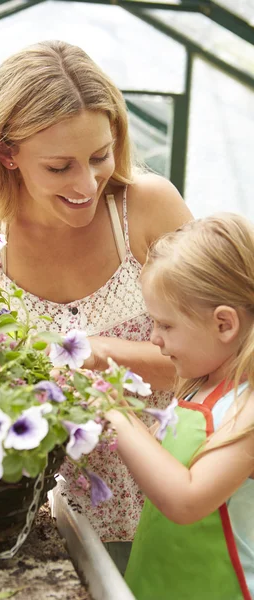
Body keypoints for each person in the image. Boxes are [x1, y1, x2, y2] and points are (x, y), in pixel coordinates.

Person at [0, 40, 192, 568]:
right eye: (59, 167)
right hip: (14, 512)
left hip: (165, 500)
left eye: (100, 156)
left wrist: (96, 350)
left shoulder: (147, 208)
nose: (87, 183)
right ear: (8, 154)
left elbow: (224, 356)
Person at [107, 213, 254, 599]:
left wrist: (116, 413)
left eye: (166, 325)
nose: (154, 338)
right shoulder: (196, 387)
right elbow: (159, 465)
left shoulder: (248, 407)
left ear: (225, 324)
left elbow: (187, 501)